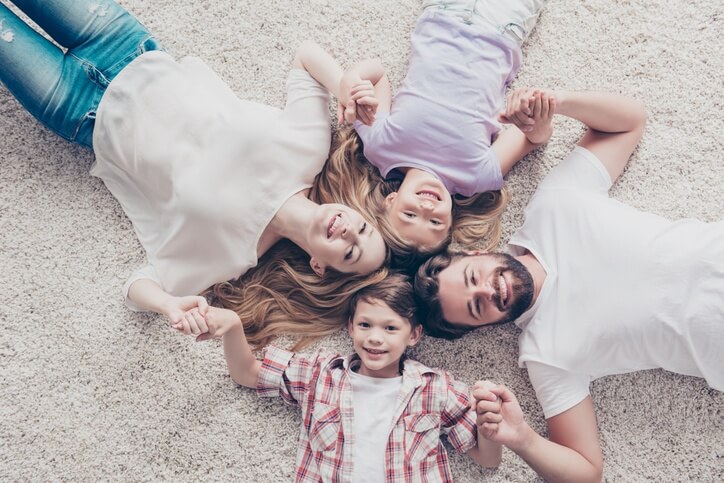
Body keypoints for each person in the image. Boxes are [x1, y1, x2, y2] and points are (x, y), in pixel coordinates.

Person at [0, 0, 388, 346]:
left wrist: (168, 305)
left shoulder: (232, 255)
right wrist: (342, 83)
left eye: (350, 252)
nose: (351, 232)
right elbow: (305, 57)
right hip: (123, 42)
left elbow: (136, 287)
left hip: (75, 107)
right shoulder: (310, 149)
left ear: (320, 267)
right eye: (365, 229)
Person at [414, 87, 724, 481]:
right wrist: (523, 438)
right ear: (483, 327)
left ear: (476, 254)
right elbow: (586, 472)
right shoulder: (546, 353)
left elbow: (628, 122)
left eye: (474, 278)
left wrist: (556, 103)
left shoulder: (554, 204)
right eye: (478, 307)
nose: (489, 290)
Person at [181, 273, 506, 481]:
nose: (376, 338)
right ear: (350, 328)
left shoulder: (436, 387)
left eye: (390, 328)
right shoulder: (320, 374)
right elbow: (247, 373)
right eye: (365, 325)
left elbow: (486, 459)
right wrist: (234, 327)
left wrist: (490, 426)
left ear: (414, 335)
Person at [331, 0, 551, 268]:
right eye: (435, 222)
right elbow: (531, 137)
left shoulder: (379, 148)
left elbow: (376, 76)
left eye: (409, 214)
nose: (425, 209)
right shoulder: (476, 177)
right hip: (501, 30)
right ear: (450, 223)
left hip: (442, 13)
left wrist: (351, 79)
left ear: (391, 201)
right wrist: (534, 116)